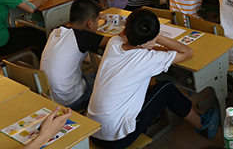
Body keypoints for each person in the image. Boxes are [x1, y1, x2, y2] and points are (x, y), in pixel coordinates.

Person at [88, 9, 220, 148]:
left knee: (149, 89)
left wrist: (146, 41)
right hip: (117, 139)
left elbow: (127, 38)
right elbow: (187, 52)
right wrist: (157, 38)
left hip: (93, 131)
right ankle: (203, 126)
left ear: (126, 29)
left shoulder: (113, 43)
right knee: (167, 89)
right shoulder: (147, 59)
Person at [41, 0, 109, 111]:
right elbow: (112, 41)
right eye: (97, 21)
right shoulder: (82, 37)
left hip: (51, 96)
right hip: (71, 99)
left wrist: (96, 16)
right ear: (89, 23)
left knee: (97, 74)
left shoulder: (56, 31)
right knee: (108, 80)